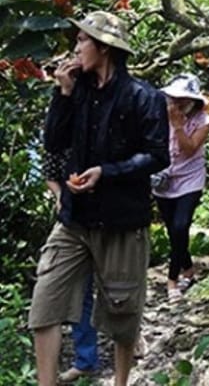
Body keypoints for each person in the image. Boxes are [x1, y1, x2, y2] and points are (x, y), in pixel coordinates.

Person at [29, 11, 170, 386]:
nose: (75, 48)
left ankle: (120, 383)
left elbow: (158, 156)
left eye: (81, 41)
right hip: (74, 219)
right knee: (45, 304)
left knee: (123, 318)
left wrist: (105, 173)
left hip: (122, 221)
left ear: (104, 48)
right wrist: (63, 92)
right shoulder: (78, 92)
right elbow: (54, 143)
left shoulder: (144, 97)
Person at [153, 74, 209, 300]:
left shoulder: (203, 121)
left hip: (190, 180)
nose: (176, 103)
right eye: (173, 97)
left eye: (182, 98)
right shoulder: (160, 116)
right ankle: (188, 269)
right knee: (173, 231)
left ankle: (172, 281)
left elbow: (189, 148)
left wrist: (178, 126)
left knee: (180, 226)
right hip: (165, 179)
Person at [43, 150, 99, 383]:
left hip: (114, 219)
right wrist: (59, 195)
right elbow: (50, 172)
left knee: (116, 288)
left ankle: (130, 337)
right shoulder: (58, 132)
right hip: (73, 221)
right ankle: (86, 360)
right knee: (80, 292)